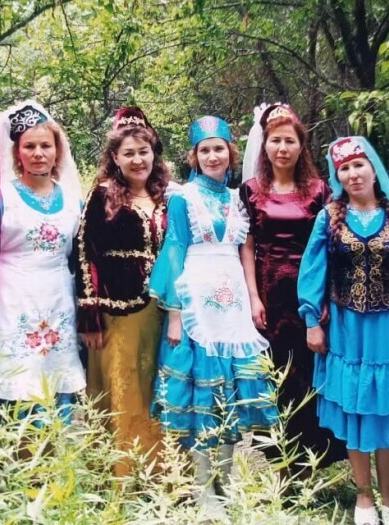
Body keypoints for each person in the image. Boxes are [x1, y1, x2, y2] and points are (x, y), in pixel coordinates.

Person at [150, 115, 279, 518]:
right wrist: (175, 313)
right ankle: (204, 490)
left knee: (230, 398)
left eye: (218, 148)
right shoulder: (182, 197)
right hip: (196, 301)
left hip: (233, 303)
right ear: (194, 156)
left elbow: (245, 251)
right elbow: (174, 249)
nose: (212, 156)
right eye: (204, 150)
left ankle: (225, 484)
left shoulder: (238, 198)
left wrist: (253, 298)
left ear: (230, 152)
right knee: (202, 401)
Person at [298, 136, 389, 525]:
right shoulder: (329, 217)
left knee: (385, 412)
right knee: (355, 409)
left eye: (358, 165)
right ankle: (364, 496)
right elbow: (313, 271)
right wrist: (311, 321)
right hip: (346, 329)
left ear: (373, 169)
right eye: (344, 168)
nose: (352, 174)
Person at [237, 103, 345, 477]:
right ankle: (281, 465)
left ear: (301, 146)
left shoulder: (318, 190)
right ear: (265, 145)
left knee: (308, 374)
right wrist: (253, 297)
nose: (282, 148)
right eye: (275, 141)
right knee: (275, 376)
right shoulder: (251, 191)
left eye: (290, 141)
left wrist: (326, 298)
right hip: (268, 295)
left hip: (308, 295)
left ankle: (309, 464)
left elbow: (330, 246)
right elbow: (247, 245)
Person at [76, 107, 170, 475]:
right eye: (128, 153)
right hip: (116, 310)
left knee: (155, 389)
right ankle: (122, 477)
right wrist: (89, 313)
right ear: (115, 157)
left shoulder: (166, 197)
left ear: (153, 153)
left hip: (160, 311)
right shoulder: (102, 195)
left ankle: (158, 475)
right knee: (122, 389)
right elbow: (85, 252)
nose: (137, 160)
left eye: (143, 152)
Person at [0, 100, 85, 422]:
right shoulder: (1, 196)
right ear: (17, 153)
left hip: (58, 296)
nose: (38, 153)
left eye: (46, 145)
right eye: (29, 146)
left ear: (57, 151)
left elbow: (78, 257)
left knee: (57, 375)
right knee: (22, 377)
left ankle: (59, 447)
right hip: (14, 296)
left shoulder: (73, 199)